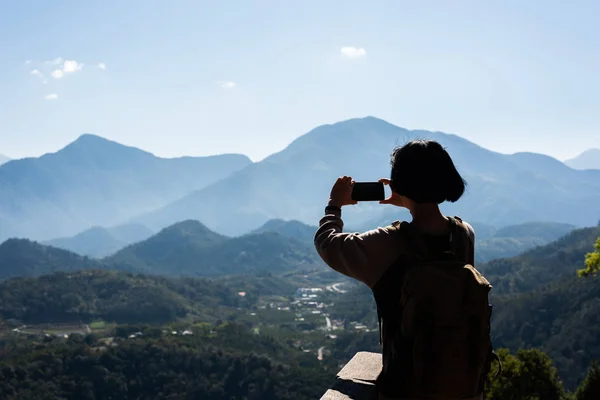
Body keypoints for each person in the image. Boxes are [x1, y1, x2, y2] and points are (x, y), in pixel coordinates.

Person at [314, 139, 495, 400]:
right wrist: (412, 199)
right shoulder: (464, 234)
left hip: (407, 388)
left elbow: (327, 244)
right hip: (464, 385)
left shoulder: (390, 242)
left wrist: (334, 205)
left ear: (398, 183)